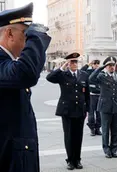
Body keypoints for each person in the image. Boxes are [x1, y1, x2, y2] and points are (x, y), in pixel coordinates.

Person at [0, 3, 51, 172]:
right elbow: (25, 74)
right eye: (25, 34)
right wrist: (37, 36)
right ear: (9, 33)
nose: (28, 40)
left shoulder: (7, 62)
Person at [46, 53, 90, 170]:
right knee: (69, 136)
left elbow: (87, 94)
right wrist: (61, 67)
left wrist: (88, 109)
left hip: (80, 110)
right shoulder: (63, 75)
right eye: (72, 62)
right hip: (67, 111)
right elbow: (49, 78)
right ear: (68, 63)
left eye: (75, 62)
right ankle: (70, 160)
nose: (74, 64)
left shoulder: (84, 75)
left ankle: (78, 160)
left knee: (78, 136)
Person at [89, 56, 117, 158]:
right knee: (105, 130)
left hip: (115, 106)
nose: (112, 67)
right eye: (109, 65)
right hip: (105, 107)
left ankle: (114, 149)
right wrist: (100, 68)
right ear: (106, 67)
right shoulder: (101, 76)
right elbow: (91, 78)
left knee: (115, 130)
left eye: (113, 65)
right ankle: (106, 149)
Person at [81, 60, 102, 136]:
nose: (96, 65)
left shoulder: (101, 72)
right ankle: (92, 129)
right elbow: (81, 71)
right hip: (91, 95)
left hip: (99, 95)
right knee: (91, 114)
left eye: (97, 64)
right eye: (94, 64)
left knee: (99, 113)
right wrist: (87, 65)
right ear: (92, 65)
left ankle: (98, 128)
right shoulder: (88, 72)